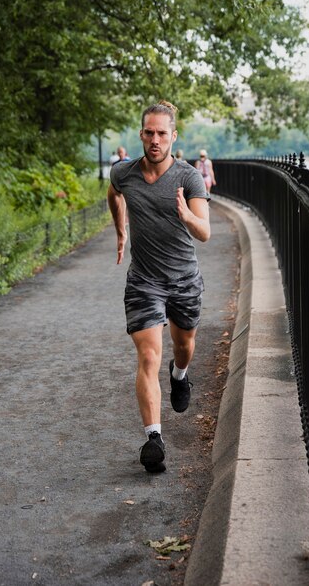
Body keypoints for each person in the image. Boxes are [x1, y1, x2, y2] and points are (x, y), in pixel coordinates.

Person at [107, 100, 211, 473]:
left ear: (173, 136)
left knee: (183, 347)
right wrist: (121, 231)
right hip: (144, 281)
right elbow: (113, 192)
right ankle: (154, 439)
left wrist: (186, 215)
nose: (155, 140)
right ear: (141, 134)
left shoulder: (188, 178)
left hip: (184, 280)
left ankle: (180, 374)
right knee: (148, 356)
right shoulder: (125, 172)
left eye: (162, 134)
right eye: (149, 133)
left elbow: (205, 232)